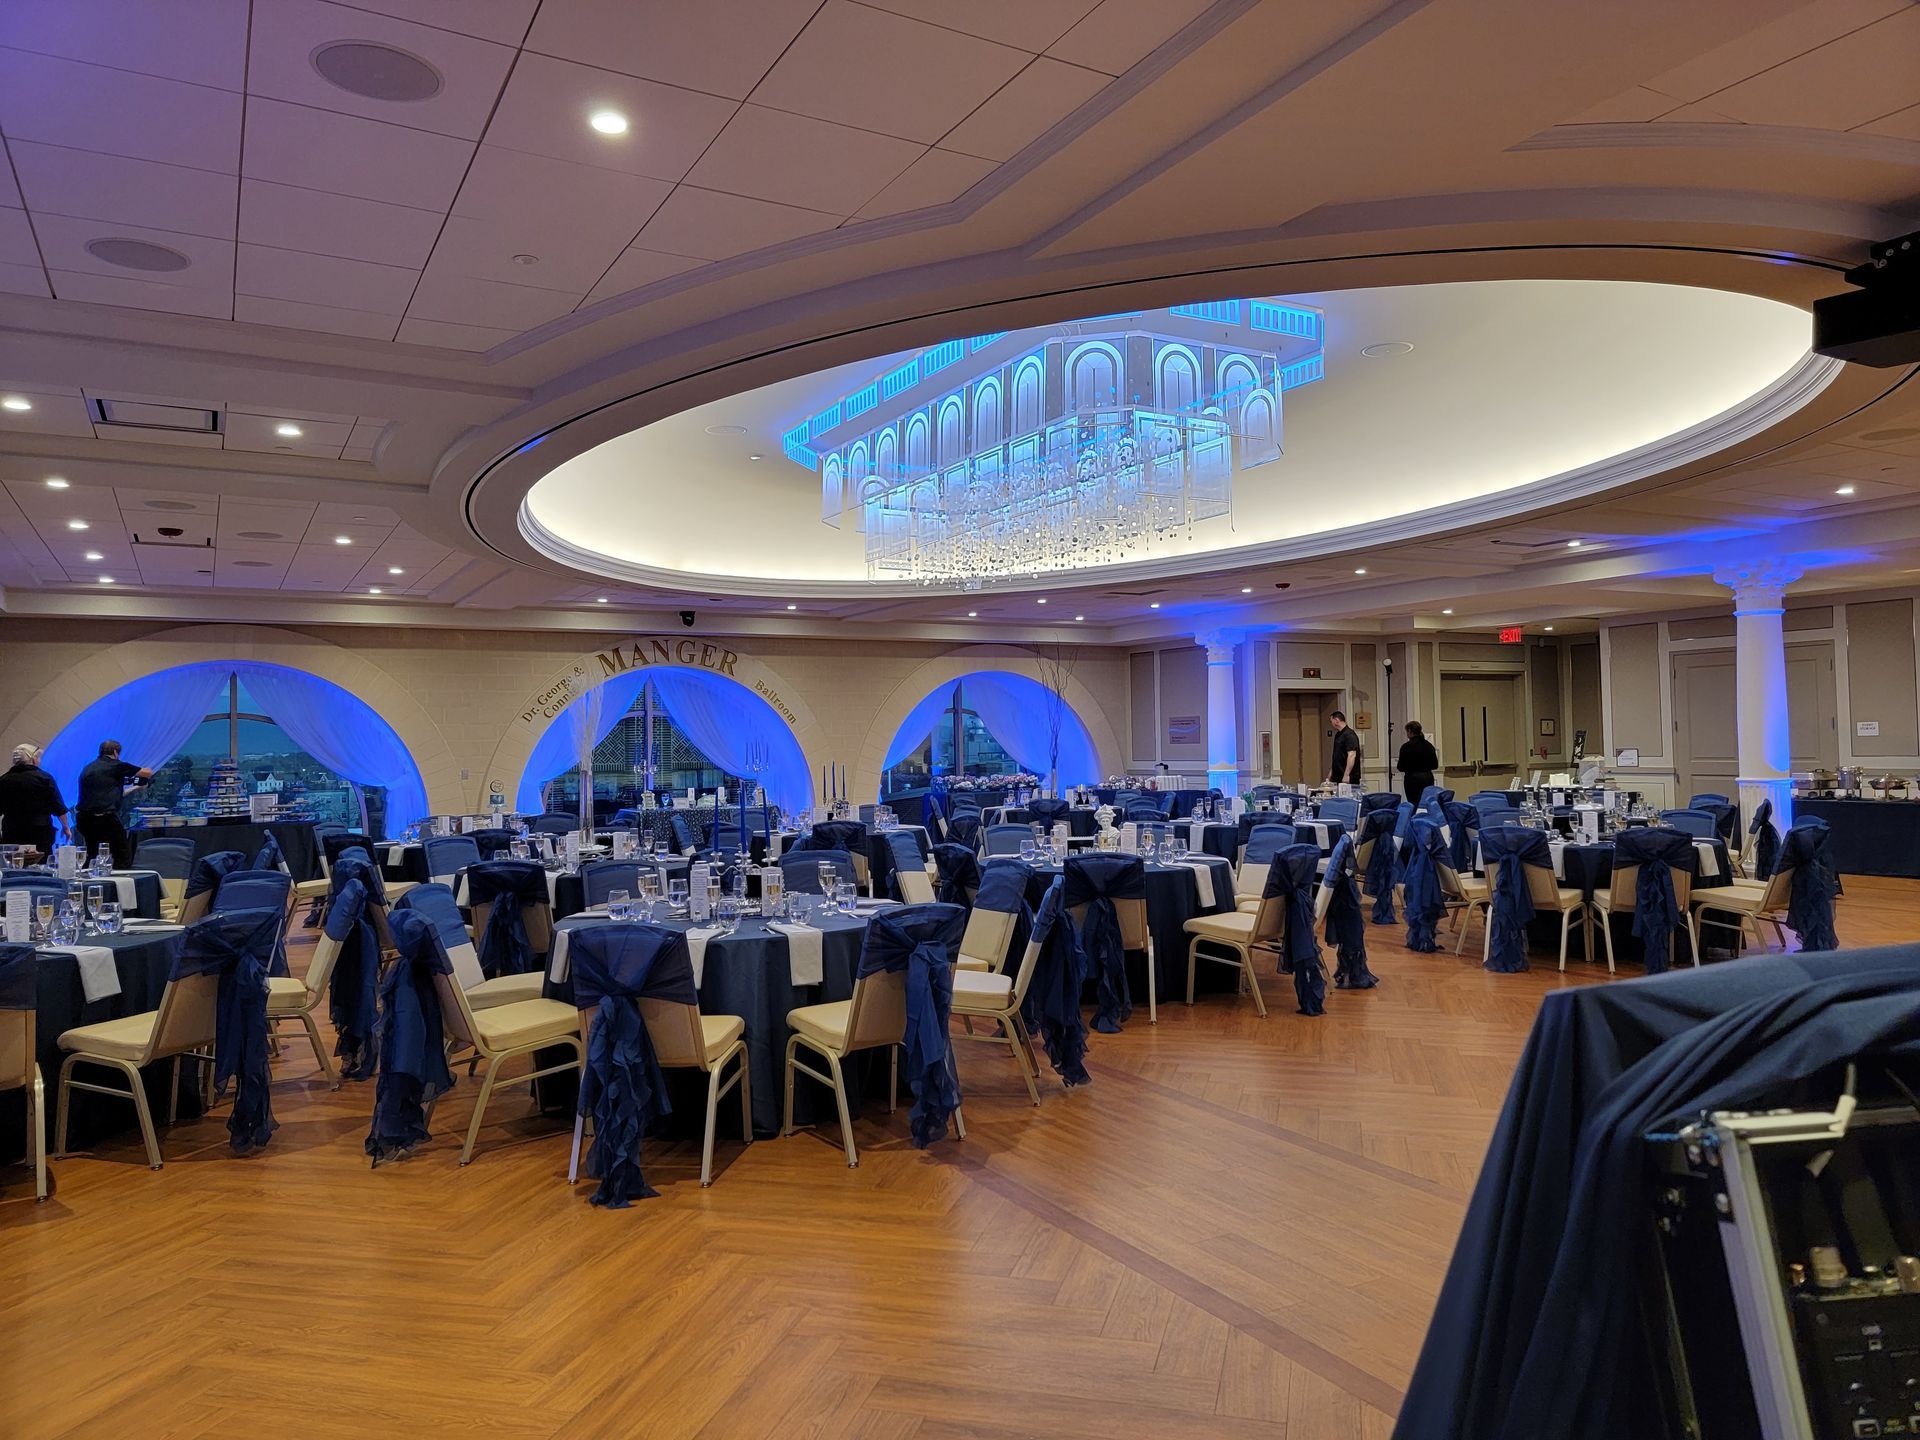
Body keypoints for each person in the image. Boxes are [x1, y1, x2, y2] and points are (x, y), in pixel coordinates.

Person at [75, 739, 151, 869]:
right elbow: (147, 773)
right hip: (104, 819)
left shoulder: (88, 768)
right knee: (122, 853)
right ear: (116, 752)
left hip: (84, 819)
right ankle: (121, 878)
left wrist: (135, 787)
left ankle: (92, 877)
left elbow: (111, 794)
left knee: (94, 853)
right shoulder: (116, 765)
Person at [0, 742, 69, 857]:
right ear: (33, 759)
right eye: (39, 758)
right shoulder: (44, 778)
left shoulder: (3, 780)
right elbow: (58, 808)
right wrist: (66, 827)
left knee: (13, 863)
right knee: (40, 863)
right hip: (39, 833)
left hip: (11, 832)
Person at [1397, 720, 1440, 805]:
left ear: (1410, 731)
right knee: (1426, 804)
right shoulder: (1429, 746)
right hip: (1427, 778)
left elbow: (1400, 767)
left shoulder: (1406, 747)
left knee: (1413, 804)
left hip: (1412, 779)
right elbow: (1435, 765)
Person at [1326, 711, 1362, 787]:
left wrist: (1346, 775)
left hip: (1348, 778)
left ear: (1336, 720)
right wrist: (1331, 773)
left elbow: (1352, 755)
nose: (1331, 724)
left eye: (1331, 721)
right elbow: (1336, 756)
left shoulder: (1350, 735)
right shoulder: (1338, 735)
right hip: (1337, 776)